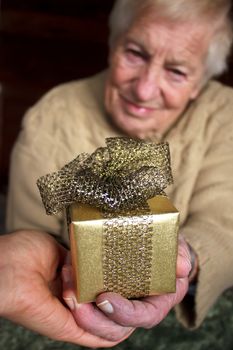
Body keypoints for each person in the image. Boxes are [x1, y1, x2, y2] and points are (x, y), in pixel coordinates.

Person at [6, 0, 233, 343]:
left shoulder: (225, 114)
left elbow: (224, 224)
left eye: (176, 71)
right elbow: (29, 240)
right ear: (113, 46)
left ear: (200, 83)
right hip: (70, 310)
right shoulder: (53, 114)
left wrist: (183, 259)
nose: (143, 89)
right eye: (136, 54)